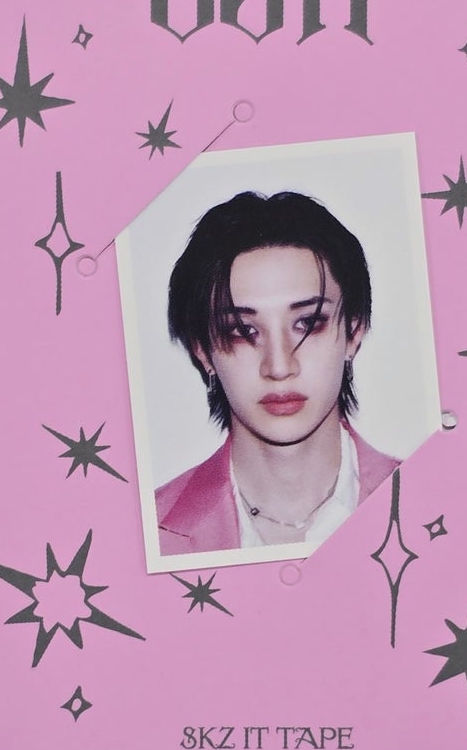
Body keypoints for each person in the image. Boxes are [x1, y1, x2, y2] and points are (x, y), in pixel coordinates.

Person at [155, 189, 398, 556]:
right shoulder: (143, 533)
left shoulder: (434, 501)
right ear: (202, 350)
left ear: (354, 331)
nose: (280, 367)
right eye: (241, 331)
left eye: (308, 323)